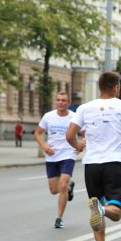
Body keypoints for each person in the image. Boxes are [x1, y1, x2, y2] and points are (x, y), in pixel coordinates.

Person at [66, 71, 121, 241]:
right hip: (114, 164)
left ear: (100, 87)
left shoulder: (84, 108)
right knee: (115, 212)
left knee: (97, 208)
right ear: (116, 87)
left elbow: (69, 135)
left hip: (91, 165)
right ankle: (100, 210)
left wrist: (78, 147)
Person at [34, 91, 82, 229]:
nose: (61, 103)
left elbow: (86, 133)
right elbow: (37, 133)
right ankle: (69, 187)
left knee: (62, 185)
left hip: (68, 155)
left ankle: (59, 218)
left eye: (64, 100)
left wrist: (81, 145)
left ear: (68, 103)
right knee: (54, 190)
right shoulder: (48, 116)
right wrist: (44, 146)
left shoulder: (74, 118)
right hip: (52, 156)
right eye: (58, 100)